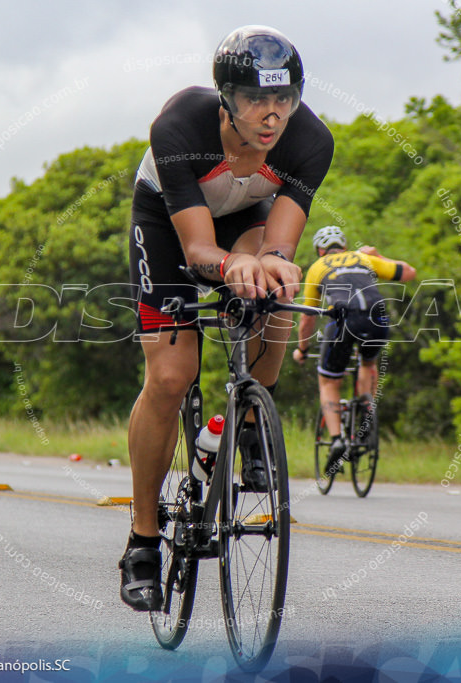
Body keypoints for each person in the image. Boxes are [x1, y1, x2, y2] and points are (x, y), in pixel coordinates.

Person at [121, 26, 334, 611]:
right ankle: (142, 541)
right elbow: (196, 252)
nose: (271, 116)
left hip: (248, 215)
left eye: (283, 99)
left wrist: (272, 265)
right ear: (226, 99)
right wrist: (234, 262)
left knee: (273, 290)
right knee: (170, 377)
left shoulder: (311, 140)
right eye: (253, 101)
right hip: (171, 224)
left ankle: (249, 420)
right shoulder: (179, 127)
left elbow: (280, 247)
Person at [292, 225, 417, 475]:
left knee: (328, 381)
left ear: (320, 250)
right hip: (377, 315)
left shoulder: (318, 268)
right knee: (368, 363)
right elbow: (409, 273)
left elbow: (308, 318)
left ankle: (338, 438)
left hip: (343, 319)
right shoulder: (364, 258)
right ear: (344, 246)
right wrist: (378, 257)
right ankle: (367, 408)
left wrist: (302, 350)